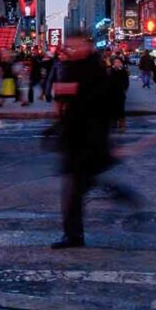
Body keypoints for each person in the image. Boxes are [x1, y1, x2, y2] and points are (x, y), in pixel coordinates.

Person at [50, 34, 114, 249]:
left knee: (74, 190)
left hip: (86, 140)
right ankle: (73, 233)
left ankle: (73, 235)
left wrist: (71, 92)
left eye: (72, 46)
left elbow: (97, 102)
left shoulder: (94, 70)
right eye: (67, 47)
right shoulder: (74, 67)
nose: (68, 50)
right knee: (78, 186)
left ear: (86, 46)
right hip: (76, 139)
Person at [108, 57, 130, 131]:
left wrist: (124, 89)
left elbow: (126, 82)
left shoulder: (123, 71)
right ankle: (113, 122)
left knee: (121, 108)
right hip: (111, 92)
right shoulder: (110, 71)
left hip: (120, 92)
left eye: (118, 62)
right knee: (112, 107)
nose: (117, 63)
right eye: (116, 62)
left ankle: (122, 124)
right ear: (113, 63)